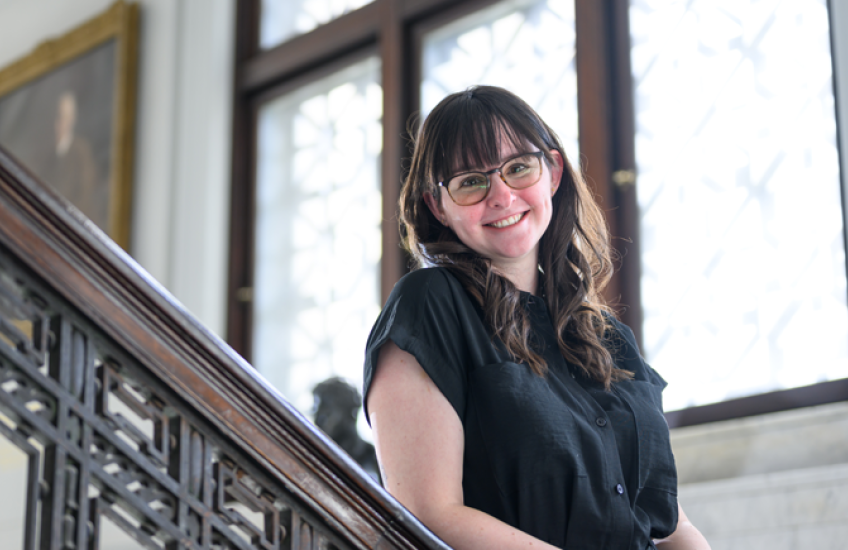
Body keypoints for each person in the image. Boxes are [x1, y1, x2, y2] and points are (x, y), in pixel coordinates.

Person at [362, 86, 710, 549]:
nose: (502, 196)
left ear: (553, 172)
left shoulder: (607, 336)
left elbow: (673, 528)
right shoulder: (429, 306)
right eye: (470, 181)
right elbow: (428, 513)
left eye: (518, 167)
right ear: (437, 206)